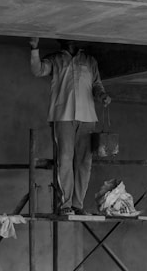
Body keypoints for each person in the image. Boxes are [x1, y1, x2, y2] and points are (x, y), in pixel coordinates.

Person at [29, 37, 111, 216]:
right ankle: (65, 203)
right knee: (65, 159)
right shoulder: (56, 59)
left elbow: (97, 84)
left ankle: (77, 204)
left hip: (87, 117)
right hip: (63, 116)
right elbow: (38, 70)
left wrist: (102, 95)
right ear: (61, 42)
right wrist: (35, 48)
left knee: (85, 162)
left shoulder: (89, 61)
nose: (70, 43)